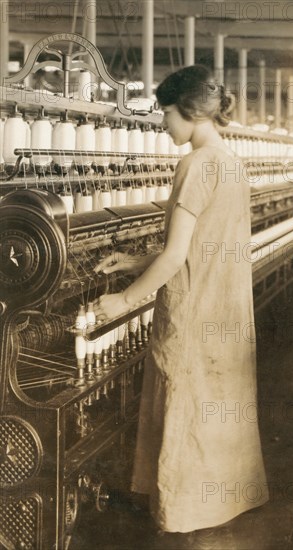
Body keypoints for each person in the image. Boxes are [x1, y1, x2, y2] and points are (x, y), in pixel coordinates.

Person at [94, 65, 268, 541]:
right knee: (217, 403)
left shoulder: (194, 166)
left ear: (189, 110)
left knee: (187, 403)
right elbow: (198, 246)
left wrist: (122, 301)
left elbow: (175, 257)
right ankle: (223, 502)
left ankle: (182, 512)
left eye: (166, 112)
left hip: (193, 309)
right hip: (224, 305)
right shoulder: (230, 162)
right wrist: (132, 261)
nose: (163, 123)